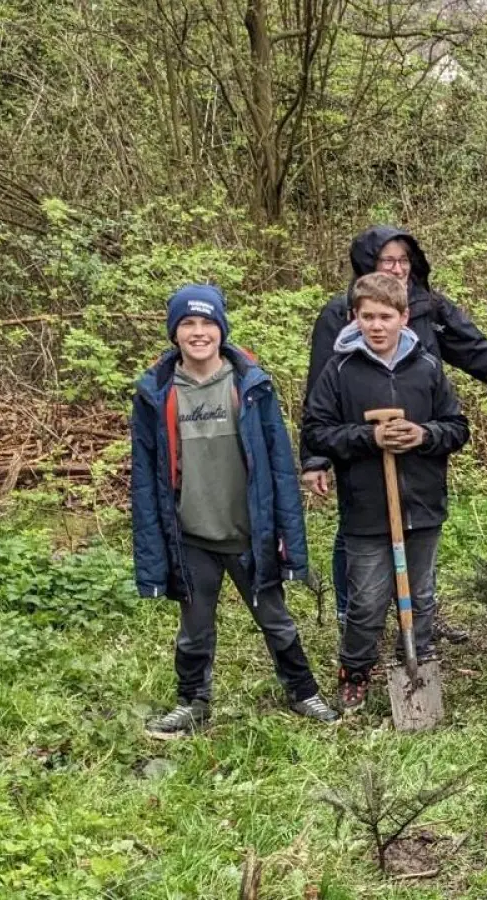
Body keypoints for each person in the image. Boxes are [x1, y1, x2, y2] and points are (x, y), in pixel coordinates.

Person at [133, 285, 338, 738]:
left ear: (222, 330)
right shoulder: (156, 394)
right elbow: (145, 480)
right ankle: (192, 701)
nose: (199, 332)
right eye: (188, 323)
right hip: (191, 537)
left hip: (250, 535)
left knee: (276, 620)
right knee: (194, 630)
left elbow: (280, 466)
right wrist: (151, 557)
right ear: (174, 332)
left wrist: (289, 538)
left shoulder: (249, 386)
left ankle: (303, 692)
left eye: (207, 323)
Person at [301, 226, 487, 640]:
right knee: (358, 534)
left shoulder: (429, 307)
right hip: (363, 448)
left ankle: (420, 619)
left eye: (403, 260)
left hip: (419, 455)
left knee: (418, 539)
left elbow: (477, 353)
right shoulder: (340, 314)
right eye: (387, 260)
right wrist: (315, 459)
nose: (396, 268)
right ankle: (351, 616)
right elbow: (319, 390)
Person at [302, 272, 471, 712]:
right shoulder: (340, 371)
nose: (376, 326)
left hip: (423, 504)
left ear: (404, 316)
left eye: (385, 316)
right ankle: (354, 671)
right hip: (367, 508)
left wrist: (423, 434)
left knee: (422, 595)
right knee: (366, 601)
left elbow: (457, 428)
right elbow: (318, 432)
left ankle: (415, 660)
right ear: (354, 318)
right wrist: (368, 439)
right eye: (367, 317)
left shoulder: (427, 369)